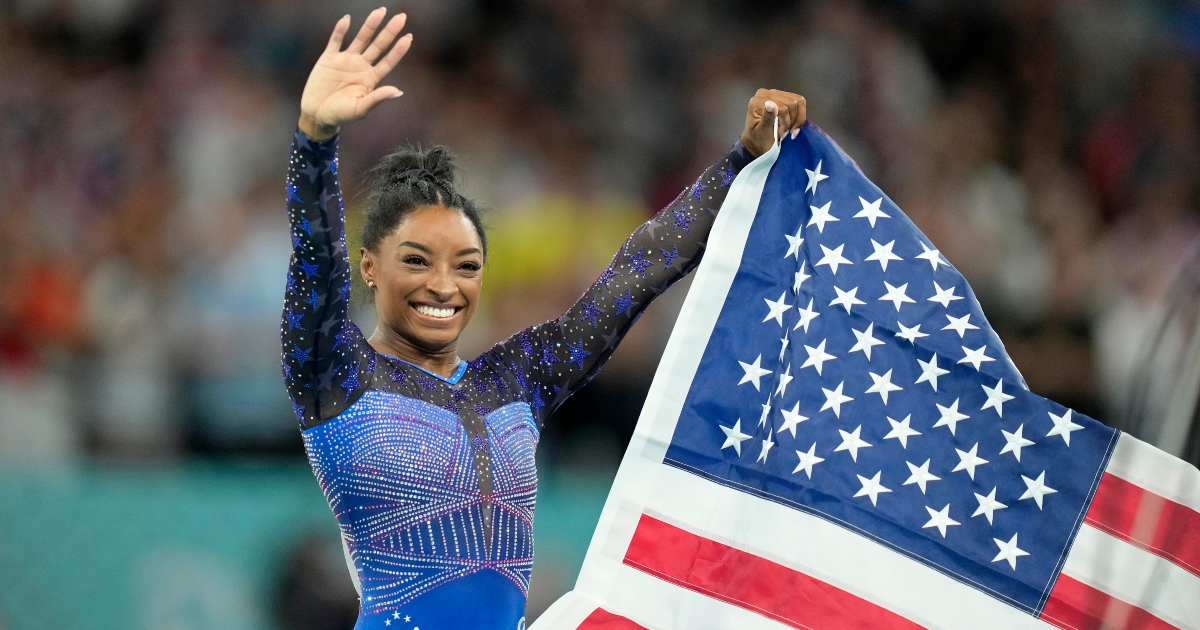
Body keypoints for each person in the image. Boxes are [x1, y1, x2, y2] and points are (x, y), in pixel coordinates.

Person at [282, 8, 805, 629]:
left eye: (467, 265)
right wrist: (315, 140)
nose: (444, 285)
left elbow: (631, 279)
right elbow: (317, 255)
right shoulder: (337, 376)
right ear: (370, 266)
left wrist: (741, 161)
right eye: (417, 261)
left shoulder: (512, 383)